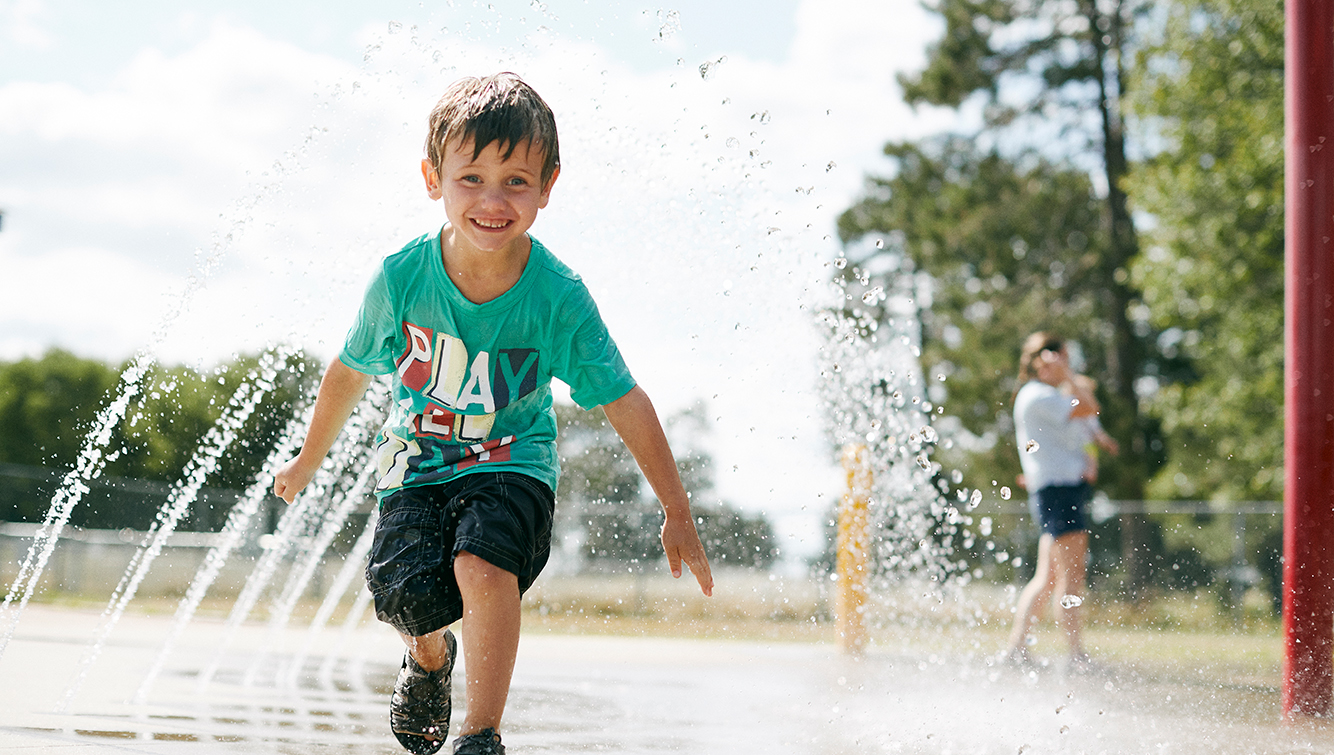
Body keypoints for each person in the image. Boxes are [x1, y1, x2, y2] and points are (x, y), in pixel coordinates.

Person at [272, 73, 714, 755]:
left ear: (548, 186)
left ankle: (481, 734)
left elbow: (624, 397)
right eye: (471, 178)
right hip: (413, 461)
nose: (493, 200)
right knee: (406, 595)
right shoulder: (401, 280)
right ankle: (428, 659)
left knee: (482, 563)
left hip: (513, 460)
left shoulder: (557, 297)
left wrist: (676, 508)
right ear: (434, 178)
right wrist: (308, 459)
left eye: (516, 181)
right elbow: (350, 370)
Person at [1004, 332, 1116, 671]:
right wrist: (1069, 376)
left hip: (1057, 490)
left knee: (1048, 577)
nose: (1069, 364)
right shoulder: (1040, 395)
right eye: (1063, 357)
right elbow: (1090, 406)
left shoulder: (1044, 396)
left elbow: (1084, 428)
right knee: (1072, 575)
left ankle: (1016, 650)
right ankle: (1076, 655)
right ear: (1047, 359)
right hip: (1059, 492)